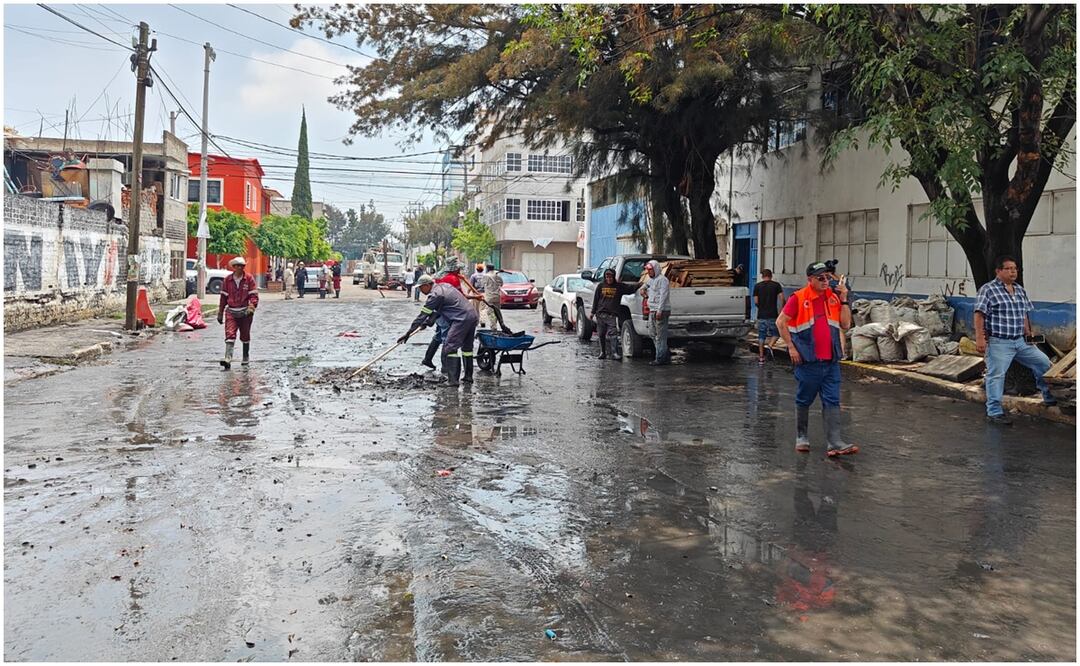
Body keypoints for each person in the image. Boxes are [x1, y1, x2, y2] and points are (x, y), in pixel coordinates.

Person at [776, 261, 858, 457]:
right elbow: (780, 322)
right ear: (810, 280)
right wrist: (791, 347)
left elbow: (845, 324)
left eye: (827, 277)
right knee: (804, 398)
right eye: (821, 278)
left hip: (830, 361)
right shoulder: (798, 298)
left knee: (832, 400)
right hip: (808, 360)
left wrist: (844, 299)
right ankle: (802, 436)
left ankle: (834, 442)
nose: (825, 281)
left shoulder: (833, 298)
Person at [974, 256, 1056, 426]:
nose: (1013, 272)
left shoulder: (1019, 290)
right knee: (996, 375)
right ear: (998, 271)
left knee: (1043, 363)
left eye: (1015, 269)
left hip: (1020, 341)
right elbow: (979, 314)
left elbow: (1023, 313)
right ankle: (994, 412)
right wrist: (980, 338)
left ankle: (1049, 398)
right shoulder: (988, 290)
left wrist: (1028, 333)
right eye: (1009, 268)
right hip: (999, 342)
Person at [398, 275, 479, 387]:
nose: (420, 290)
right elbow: (437, 312)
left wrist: (408, 333)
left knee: (450, 347)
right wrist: (427, 323)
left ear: (427, 285)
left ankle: (453, 381)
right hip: (472, 315)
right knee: (467, 349)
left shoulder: (435, 295)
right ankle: (468, 377)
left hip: (461, 319)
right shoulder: (444, 286)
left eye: (421, 288)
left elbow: (422, 315)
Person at [216, 256, 259, 369]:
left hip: (245, 312)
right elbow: (223, 297)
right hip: (231, 311)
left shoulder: (249, 279)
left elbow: (253, 295)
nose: (240, 268)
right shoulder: (227, 280)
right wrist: (220, 312)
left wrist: (251, 307)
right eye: (238, 266)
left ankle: (245, 356)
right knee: (230, 333)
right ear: (234, 267)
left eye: (242, 266)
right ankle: (228, 358)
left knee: (245, 335)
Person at [591, 267, 636, 360]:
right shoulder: (600, 286)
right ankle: (602, 352)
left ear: (613, 277)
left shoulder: (619, 286)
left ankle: (614, 353)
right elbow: (596, 299)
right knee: (601, 334)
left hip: (611, 315)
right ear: (605, 277)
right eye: (607, 277)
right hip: (600, 314)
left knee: (613, 333)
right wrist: (592, 312)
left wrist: (641, 285)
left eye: (610, 277)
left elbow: (630, 288)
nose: (609, 279)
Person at [640, 259, 671, 365]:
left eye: (650, 270)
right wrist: (642, 290)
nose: (649, 272)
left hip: (661, 311)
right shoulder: (651, 280)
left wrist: (660, 310)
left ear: (656, 269)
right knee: (652, 333)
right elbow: (644, 286)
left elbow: (663, 296)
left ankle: (660, 358)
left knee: (660, 336)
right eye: (648, 270)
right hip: (652, 310)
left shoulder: (663, 280)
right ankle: (664, 354)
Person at [753, 269, 786, 363]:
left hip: (761, 315)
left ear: (762, 276)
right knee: (777, 333)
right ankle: (770, 345)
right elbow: (782, 298)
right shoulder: (776, 285)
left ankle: (761, 357)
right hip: (773, 314)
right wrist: (782, 309)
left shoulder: (757, 286)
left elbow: (756, 301)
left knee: (761, 335)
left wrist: (760, 308)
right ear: (771, 276)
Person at [482, 264, 512, 334]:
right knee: (497, 312)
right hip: (497, 297)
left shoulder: (486, 276)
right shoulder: (498, 276)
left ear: (487, 268)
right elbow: (501, 284)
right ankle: (500, 324)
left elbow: (483, 284)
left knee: (491, 313)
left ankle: (493, 328)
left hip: (489, 297)